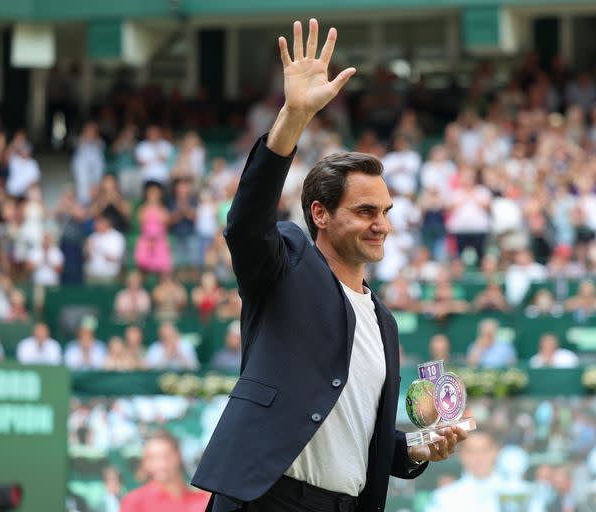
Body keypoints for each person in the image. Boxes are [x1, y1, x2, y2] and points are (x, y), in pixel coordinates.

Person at [192, 19, 466, 512]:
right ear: (320, 213)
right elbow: (245, 224)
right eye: (365, 211)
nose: (380, 224)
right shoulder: (287, 263)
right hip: (267, 499)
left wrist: (415, 449)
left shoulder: (384, 321)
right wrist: (293, 119)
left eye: (385, 212)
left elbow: (354, 432)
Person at [120, 430, 209, 512]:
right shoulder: (134, 501)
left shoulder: (203, 499)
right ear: (146, 463)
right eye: (153, 458)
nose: (161, 464)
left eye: (165, 456)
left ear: (179, 456)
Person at [425, 432, 501, 512]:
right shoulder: (443, 497)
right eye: (471, 452)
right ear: (460, 454)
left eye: (485, 450)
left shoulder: (512, 489)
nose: (479, 457)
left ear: (496, 451)